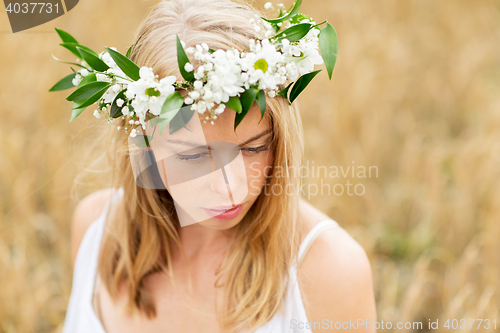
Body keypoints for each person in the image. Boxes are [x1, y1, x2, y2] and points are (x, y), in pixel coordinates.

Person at [62, 0, 376, 332]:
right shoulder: (97, 231)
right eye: (194, 156)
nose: (230, 187)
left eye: (254, 148)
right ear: (143, 143)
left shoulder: (329, 271)